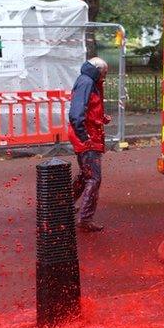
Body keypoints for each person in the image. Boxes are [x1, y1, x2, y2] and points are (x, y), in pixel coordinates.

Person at [67, 57, 111, 233]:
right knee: (94, 177)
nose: (105, 77)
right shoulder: (87, 83)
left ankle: (66, 204)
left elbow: (87, 108)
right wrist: (84, 135)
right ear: (98, 71)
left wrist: (100, 118)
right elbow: (77, 112)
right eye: (105, 73)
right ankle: (85, 218)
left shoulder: (87, 80)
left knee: (86, 174)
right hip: (87, 136)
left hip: (85, 133)